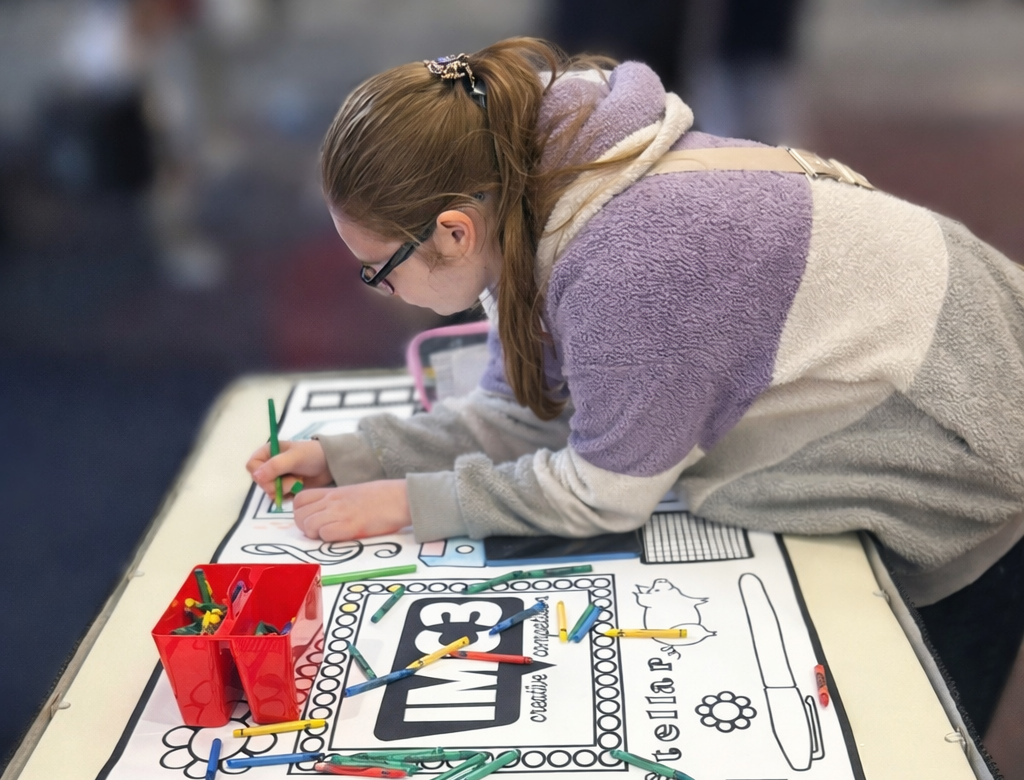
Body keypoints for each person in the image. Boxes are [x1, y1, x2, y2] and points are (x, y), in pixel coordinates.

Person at [247, 38, 1024, 736]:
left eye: (378, 270)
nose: (375, 292)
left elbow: (604, 491)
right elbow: (524, 412)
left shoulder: (631, 265)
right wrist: (356, 454)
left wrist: (412, 502)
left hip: (967, 446)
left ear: (455, 231)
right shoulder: (536, 187)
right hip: (934, 369)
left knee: (922, 742)